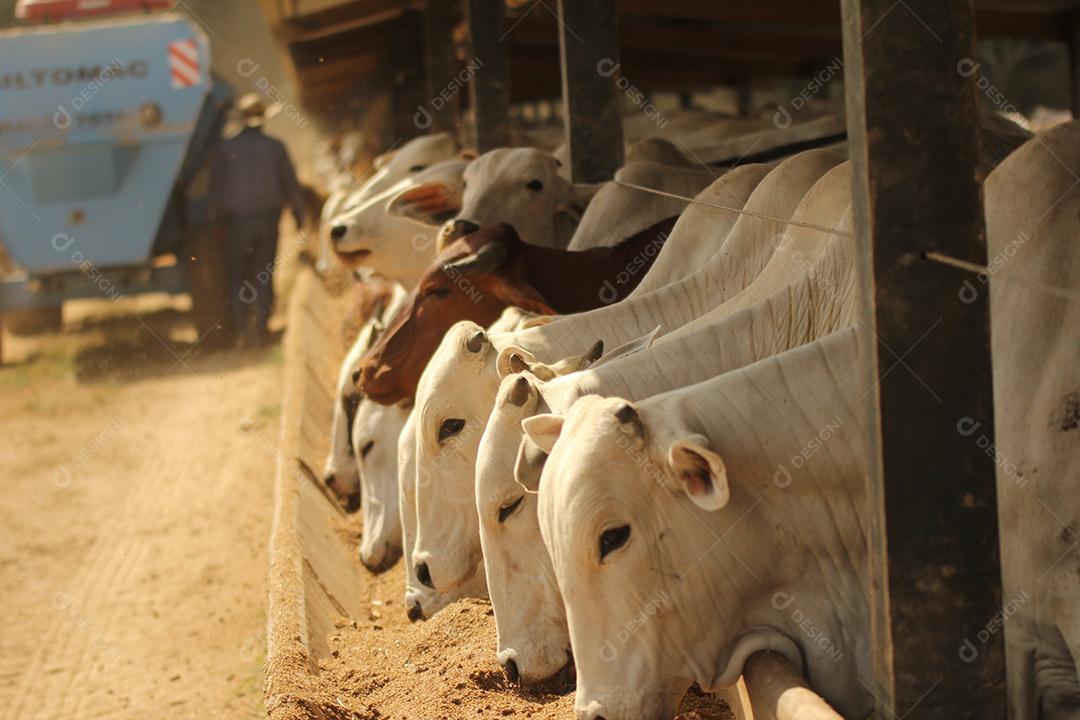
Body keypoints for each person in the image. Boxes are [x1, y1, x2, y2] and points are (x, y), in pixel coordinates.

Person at [209, 93, 305, 345]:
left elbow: (216, 191)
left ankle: (243, 331)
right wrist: (299, 216)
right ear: (263, 119)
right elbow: (291, 186)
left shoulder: (225, 148)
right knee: (263, 274)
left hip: (236, 224)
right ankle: (261, 330)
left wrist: (216, 224)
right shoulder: (275, 147)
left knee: (238, 276)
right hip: (266, 221)